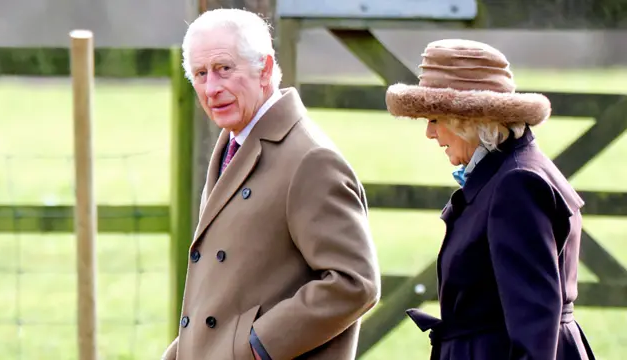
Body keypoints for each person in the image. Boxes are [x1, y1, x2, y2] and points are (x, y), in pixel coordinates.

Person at [161, 8, 381, 360]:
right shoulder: (232, 145)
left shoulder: (310, 159)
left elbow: (355, 284)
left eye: (224, 69)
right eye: (200, 74)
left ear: (264, 69)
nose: (212, 88)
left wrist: (256, 348)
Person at [384, 39, 596, 360]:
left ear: (466, 119)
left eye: (435, 119)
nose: (429, 133)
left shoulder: (517, 184)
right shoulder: (507, 172)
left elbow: (535, 327)